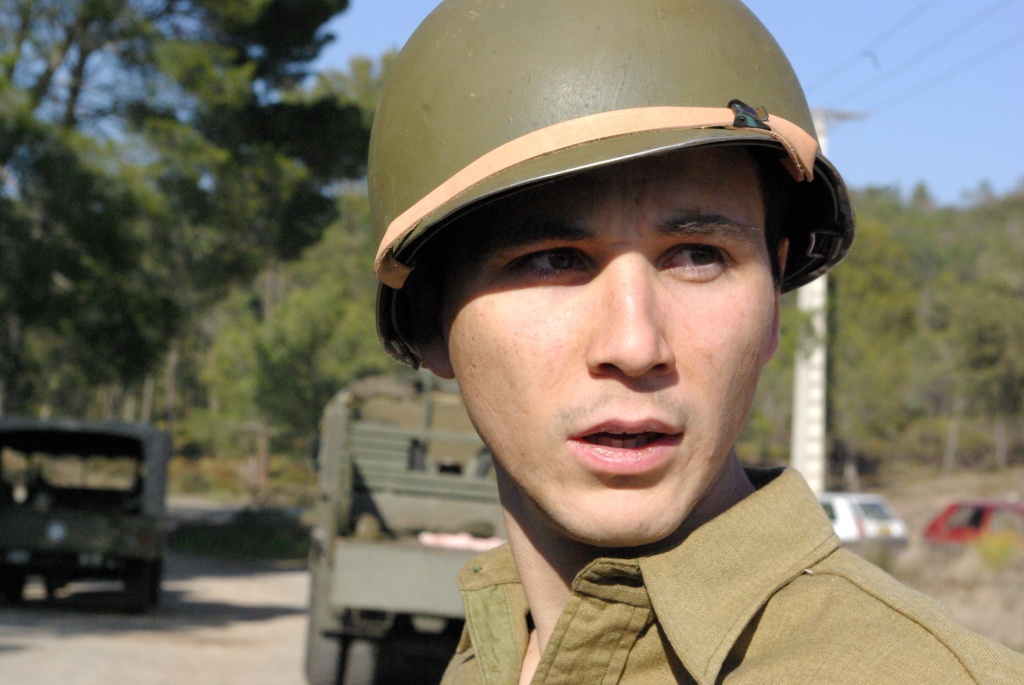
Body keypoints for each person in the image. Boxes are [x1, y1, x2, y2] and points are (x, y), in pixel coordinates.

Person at [366, 1, 1024, 682]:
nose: (634, 343)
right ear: (427, 316)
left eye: (697, 255)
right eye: (554, 259)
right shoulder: (485, 663)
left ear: (772, 303)